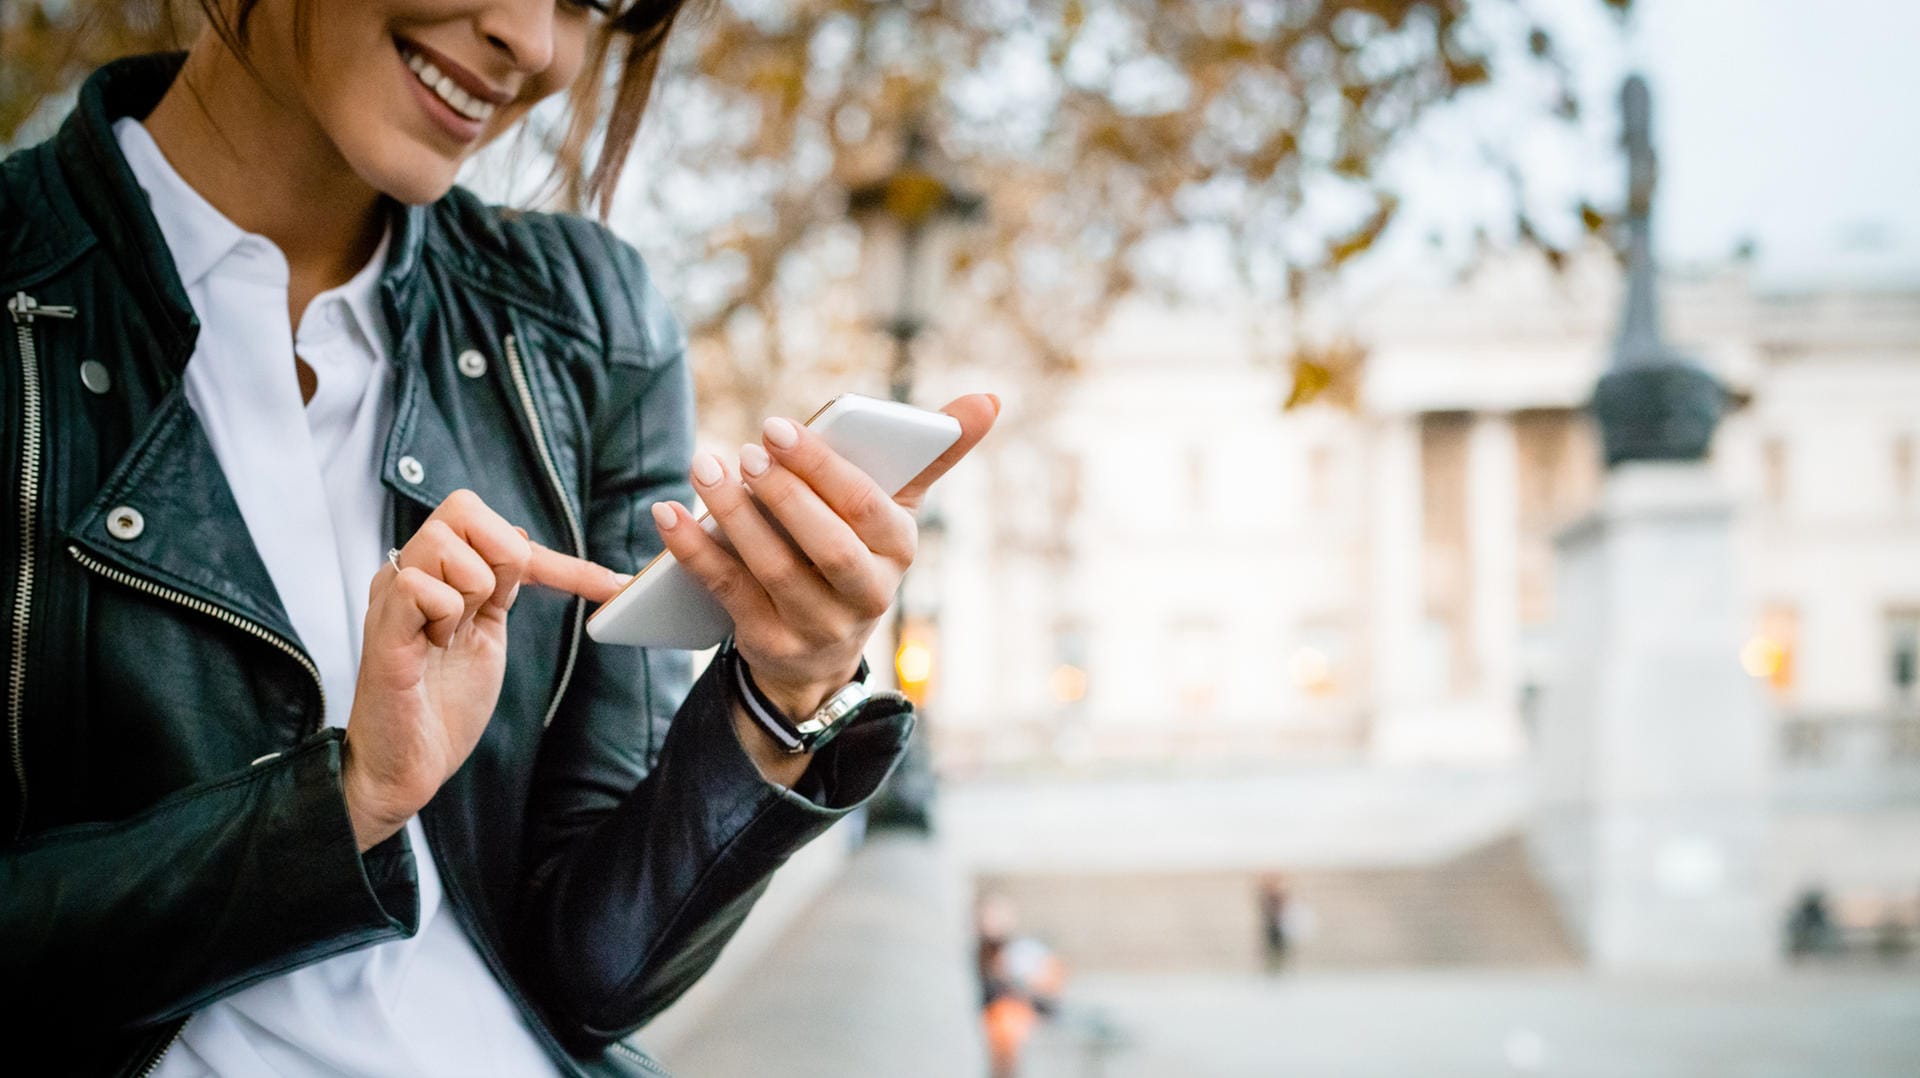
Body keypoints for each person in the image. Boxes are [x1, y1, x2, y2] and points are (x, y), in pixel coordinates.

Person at [0, 1, 997, 1074]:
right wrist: (344, 804)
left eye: (587, 1)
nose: (531, 37)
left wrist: (780, 699)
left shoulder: (583, 322)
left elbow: (597, 975)